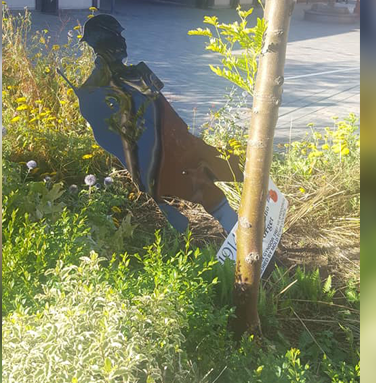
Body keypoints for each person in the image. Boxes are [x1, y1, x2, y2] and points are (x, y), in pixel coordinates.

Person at [64, 14, 243, 233]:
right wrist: (144, 170)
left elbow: (163, 107)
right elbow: (110, 139)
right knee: (203, 189)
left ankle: (247, 223)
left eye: (121, 36)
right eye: (116, 36)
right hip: (158, 155)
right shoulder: (93, 91)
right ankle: (236, 239)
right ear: (102, 41)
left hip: (180, 141)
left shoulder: (134, 74)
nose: (122, 41)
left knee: (230, 167)